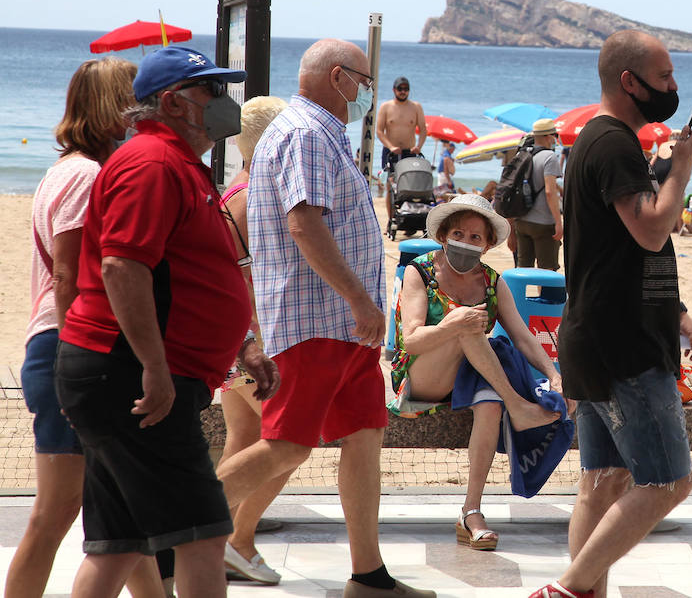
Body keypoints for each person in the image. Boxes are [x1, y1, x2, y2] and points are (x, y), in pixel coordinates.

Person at [215, 40, 435, 598]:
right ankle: (167, 524)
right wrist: (361, 298)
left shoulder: (313, 133)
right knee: (289, 442)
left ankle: (368, 574)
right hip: (318, 318)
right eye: (364, 83)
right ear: (339, 77)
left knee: (364, 435)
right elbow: (304, 223)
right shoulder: (307, 133)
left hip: (342, 325)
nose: (369, 95)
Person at [55, 46, 276, 598]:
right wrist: (153, 367)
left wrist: (244, 343)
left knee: (119, 543)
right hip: (132, 373)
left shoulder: (177, 164)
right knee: (203, 534)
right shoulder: (152, 162)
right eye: (213, 91)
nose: (225, 104)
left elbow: (197, 270)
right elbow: (122, 266)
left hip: (131, 372)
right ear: (175, 103)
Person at [527, 30, 692, 598]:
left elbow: (608, 251)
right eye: (664, 78)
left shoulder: (595, 145)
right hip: (620, 346)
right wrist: (681, 166)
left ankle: (581, 593)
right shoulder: (613, 146)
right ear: (629, 82)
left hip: (594, 334)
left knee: (603, 482)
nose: (674, 88)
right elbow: (652, 229)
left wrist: (674, 311)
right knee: (668, 483)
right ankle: (569, 589)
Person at [9, 59, 163, 598]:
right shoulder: (86, 176)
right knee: (56, 513)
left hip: (60, 346)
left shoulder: (65, 170)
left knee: (123, 509)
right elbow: (73, 279)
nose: (140, 112)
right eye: (133, 99)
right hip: (70, 348)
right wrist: (98, 360)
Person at [391, 196, 566, 551]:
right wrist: (455, 324)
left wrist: (554, 373)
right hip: (421, 377)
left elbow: (523, 337)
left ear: (487, 245)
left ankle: (471, 512)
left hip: (469, 376)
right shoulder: (420, 271)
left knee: (490, 406)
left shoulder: (491, 281)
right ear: (443, 234)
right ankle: (519, 406)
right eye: (458, 233)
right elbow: (411, 341)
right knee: (469, 325)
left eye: (475, 237)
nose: (466, 242)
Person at [218, 95, 292, 585]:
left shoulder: (232, 192)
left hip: (231, 338)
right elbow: (245, 280)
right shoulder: (254, 198)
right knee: (291, 441)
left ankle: (213, 542)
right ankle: (237, 541)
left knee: (243, 439)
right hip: (251, 341)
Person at [511, 118, 564, 270]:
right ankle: (544, 295)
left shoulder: (521, 155)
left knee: (523, 268)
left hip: (521, 221)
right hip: (543, 223)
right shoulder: (549, 157)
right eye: (555, 135)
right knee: (547, 270)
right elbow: (549, 192)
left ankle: (519, 295)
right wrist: (558, 222)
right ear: (549, 136)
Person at [376, 76, 426, 172]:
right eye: (400, 89)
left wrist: (419, 147)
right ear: (394, 90)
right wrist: (391, 147)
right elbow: (379, 131)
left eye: (406, 89)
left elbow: (423, 130)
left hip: (410, 152)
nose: (403, 92)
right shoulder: (385, 107)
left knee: (408, 183)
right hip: (390, 152)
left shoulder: (416, 107)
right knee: (390, 182)